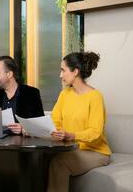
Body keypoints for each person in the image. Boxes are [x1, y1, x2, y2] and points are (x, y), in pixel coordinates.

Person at [47, 52, 112, 192]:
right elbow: (55, 120)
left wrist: (71, 135)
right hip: (70, 149)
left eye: (63, 70)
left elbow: (95, 131)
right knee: (39, 159)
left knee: (59, 163)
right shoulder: (65, 94)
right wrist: (55, 131)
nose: (60, 75)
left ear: (75, 71)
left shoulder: (95, 97)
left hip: (96, 152)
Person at [0, 55, 44, 134]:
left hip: (23, 144)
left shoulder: (31, 94)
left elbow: (40, 125)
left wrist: (23, 128)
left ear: (9, 74)